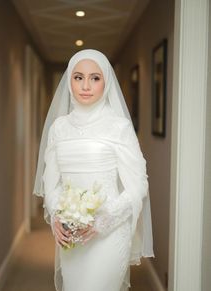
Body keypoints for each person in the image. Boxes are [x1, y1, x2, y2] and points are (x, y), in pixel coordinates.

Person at [33, 49, 154, 291]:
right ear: (70, 82)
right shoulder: (59, 128)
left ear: (105, 83)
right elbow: (51, 181)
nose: (85, 85)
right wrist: (58, 215)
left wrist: (102, 220)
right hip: (72, 236)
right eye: (78, 77)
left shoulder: (119, 127)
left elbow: (138, 183)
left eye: (95, 78)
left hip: (108, 234)